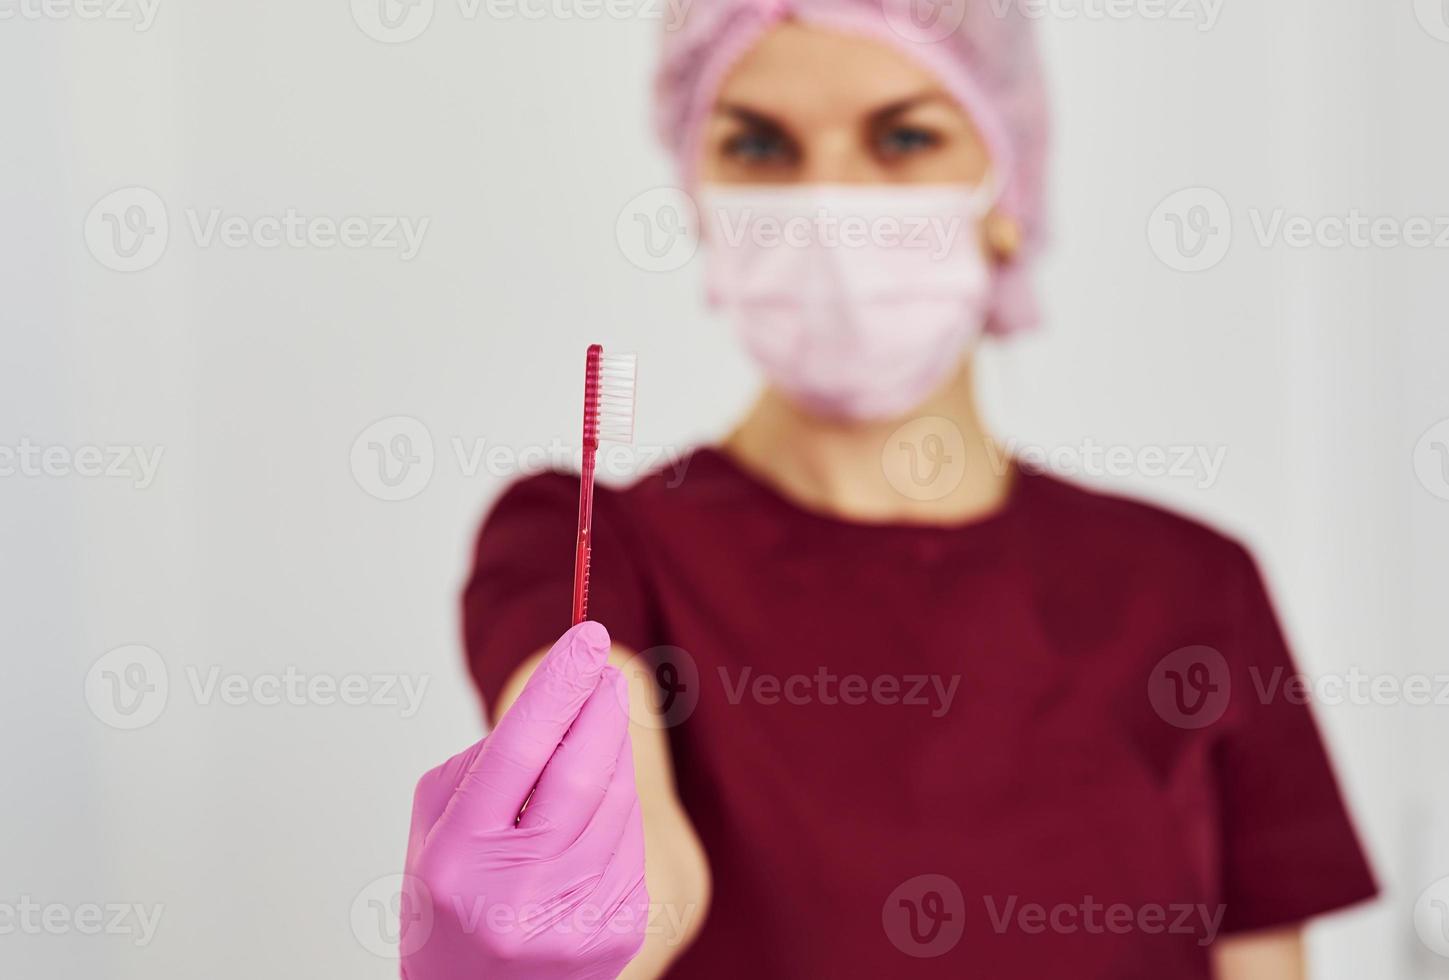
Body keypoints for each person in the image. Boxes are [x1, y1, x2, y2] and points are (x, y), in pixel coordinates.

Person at [400, 1, 1378, 976]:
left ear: (1010, 181)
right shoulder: (589, 540)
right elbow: (635, 856)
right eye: (760, 146)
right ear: (697, 193)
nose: (828, 201)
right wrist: (561, 917)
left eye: (904, 136)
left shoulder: (1193, 586)